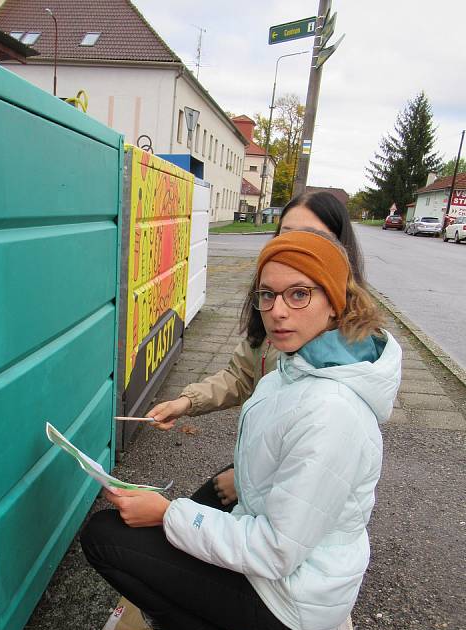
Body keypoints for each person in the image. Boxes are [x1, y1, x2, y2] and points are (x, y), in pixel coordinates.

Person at [81, 229, 402, 630]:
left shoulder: (331, 411)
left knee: (106, 538)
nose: (277, 311)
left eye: (299, 294)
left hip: (290, 595)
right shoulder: (299, 367)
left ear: (335, 303)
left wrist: (168, 514)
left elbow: (274, 549)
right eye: (268, 295)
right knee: (199, 501)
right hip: (309, 573)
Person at [147, 191, 367, 510]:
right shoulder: (274, 311)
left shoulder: (338, 365)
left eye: (315, 238)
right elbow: (241, 375)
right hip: (257, 467)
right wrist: (186, 402)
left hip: (277, 488)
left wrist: (242, 482)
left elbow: (311, 462)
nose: (296, 248)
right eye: (288, 235)